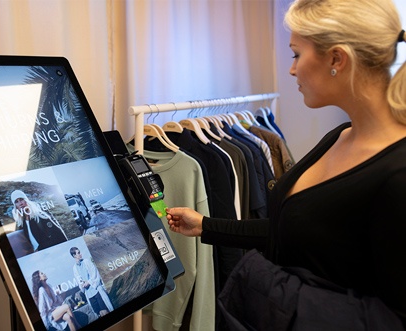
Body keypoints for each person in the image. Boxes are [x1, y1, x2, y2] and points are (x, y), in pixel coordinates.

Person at [166, 0, 406, 328]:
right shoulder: (339, 137)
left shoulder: (398, 172)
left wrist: (279, 295)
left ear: (337, 58)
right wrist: (206, 226)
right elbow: (298, 232)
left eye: (296, 54)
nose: (292, 69)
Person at [70, 247, 113, 317]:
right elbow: (79, 280)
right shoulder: (75, 268)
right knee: (100, 313)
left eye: (79, 252)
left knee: (105, 311)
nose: (80, 254)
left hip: (96, 290)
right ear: (74, 255)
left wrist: (89, 282)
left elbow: (95, 274)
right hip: (89, 294)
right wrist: (82, 285)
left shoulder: (86, 261)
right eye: (78, 253)